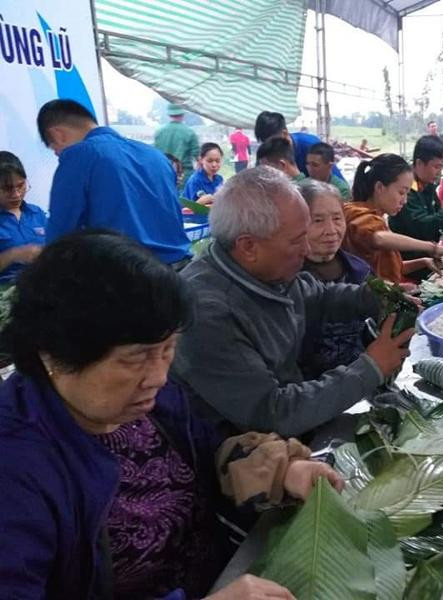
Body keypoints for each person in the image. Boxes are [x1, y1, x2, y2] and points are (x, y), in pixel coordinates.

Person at [0, 230, 342, 600]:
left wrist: (282, 471)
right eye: (135, 359)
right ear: (54, 354)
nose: (158, 377)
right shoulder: (17, 468)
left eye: (168, 351)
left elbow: (211, 452)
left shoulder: (147, 403)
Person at [171, 167, 414, 439]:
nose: (307, 249)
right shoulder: (207, 312)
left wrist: (372, 296)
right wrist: (370, 368)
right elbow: (272, 412)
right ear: (248, 246)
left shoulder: (268, 271)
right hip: (239, 452)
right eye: (298, 240)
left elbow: (317, 296)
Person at [37, 99, 192, 267]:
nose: (58, 155)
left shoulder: (79, 155)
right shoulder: (156, 156)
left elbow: (60, 232)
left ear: (57, 134)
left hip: (130, 277)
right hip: (180, 271)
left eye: (55, 148)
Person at [342, 153, 443, 284]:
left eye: (407, 194)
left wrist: (423, 262)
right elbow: (378, 238)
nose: (405, 201)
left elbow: (388, 268)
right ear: (379, 187)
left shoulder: (375, 218)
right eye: (401, 192)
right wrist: (432, 248)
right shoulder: (357, 214)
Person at [297, 179, 371, 376]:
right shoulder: (288, 280)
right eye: (318, 220)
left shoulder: (360, 270)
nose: (331, 230)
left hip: (362, 380)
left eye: (337, 218)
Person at [388, 135, 443, 259]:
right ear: (419, 163)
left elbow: (437, 216)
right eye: (436, 167)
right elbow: (423, 227)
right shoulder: (406, 190)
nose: (439, 173)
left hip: (428, 252)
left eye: (441, 167)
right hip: (409, 259)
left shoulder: (427, 185)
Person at [254, 111, 344, 179]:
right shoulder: (265, 155)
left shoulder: (310, 145)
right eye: (265, 144)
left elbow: (338, 185)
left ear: (284, 134)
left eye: (273, 143)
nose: (270, 149)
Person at [0, 152, 46, 283]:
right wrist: (12, 255)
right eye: (7, 188)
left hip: (42, 285)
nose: (16, 194)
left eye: (20, 186)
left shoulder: (36, 213)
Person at [154, 103, 200, 188]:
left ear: (169, 114)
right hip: (184, 177)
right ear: (183, 113)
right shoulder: (189, 132)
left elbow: (154, 155)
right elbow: (198, 158)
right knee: (184, 200)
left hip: (164, 174)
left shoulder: (159, 132)